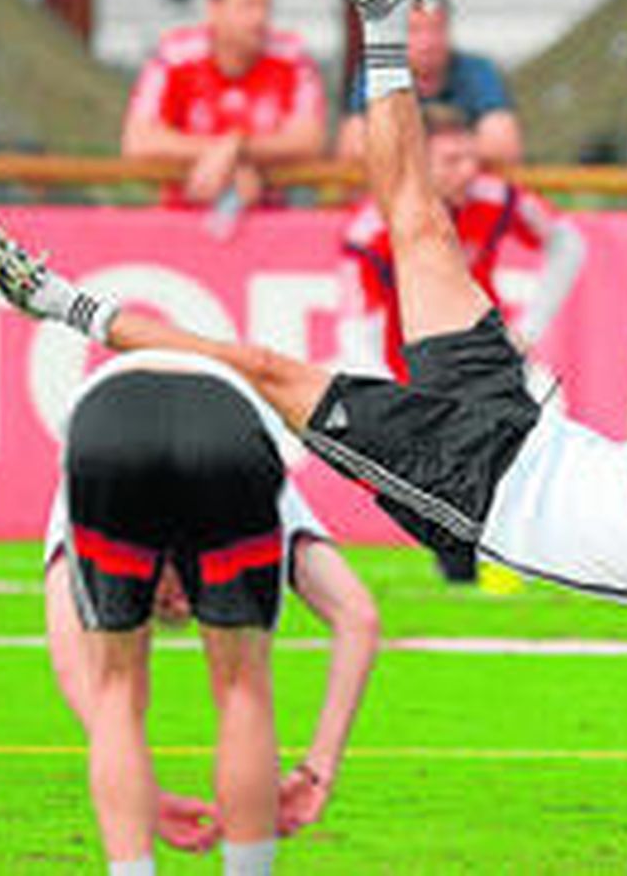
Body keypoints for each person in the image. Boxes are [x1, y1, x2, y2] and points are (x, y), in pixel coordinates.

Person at [0, 0, 627, 844]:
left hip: (472, 493)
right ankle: (381, 13)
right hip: (521, 420)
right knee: (421, 222)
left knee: (266, 370)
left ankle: (62, 305)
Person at [37, 349, 378, 876]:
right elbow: (357, 616)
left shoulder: (72, 493)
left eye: (168, 602)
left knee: (118, 687)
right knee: (243, 684)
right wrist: (142, 790)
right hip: (225, 423)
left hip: (111, 424)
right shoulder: (267, 483)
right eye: (180, 604)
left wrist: (317, 772)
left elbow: (78, 669)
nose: (178, 599)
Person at [340, 103, 585, 583]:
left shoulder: (493, 198)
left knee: (551, 428)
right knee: (443, 502)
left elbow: (569, 242)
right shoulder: (371, 229)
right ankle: (463, 570)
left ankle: (539, 561)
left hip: (488, 362)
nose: (469, 171)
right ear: (419, 163)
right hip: (417, 374)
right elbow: (356, 329)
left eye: (472, 157)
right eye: (452, 160)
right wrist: (392, 397)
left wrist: (529, 329)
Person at [121, 0, 327, 215]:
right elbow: (137, 141)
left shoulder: (293, 56)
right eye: (247, 6)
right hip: (180, 225)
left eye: (265, 5)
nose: (260, 18)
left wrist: (237, 145)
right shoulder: (175, 55)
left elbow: (309, 141)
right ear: (213, 9)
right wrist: (223, 153)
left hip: (271, 229)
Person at [335, 0, 522, 168]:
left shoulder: (477, 70)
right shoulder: (376, 71)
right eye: (414, 30)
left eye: (436, 28)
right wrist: (444, 155)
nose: (428, 41)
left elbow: (504, 147)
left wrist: (400, 150)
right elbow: (352, 149)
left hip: (466, 195)